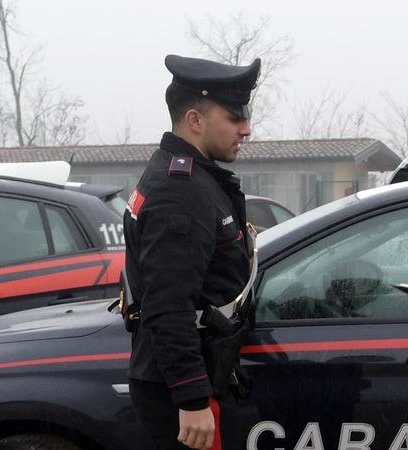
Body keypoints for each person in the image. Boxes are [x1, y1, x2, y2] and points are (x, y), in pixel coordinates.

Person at [123, 54, 261, 450]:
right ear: (195, 121)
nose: (246, 129)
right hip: (182, 391)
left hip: (193, 373)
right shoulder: (180, 191)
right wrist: (192, 398)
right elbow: (168, 304)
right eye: (234, 118)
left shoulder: (190, 175)